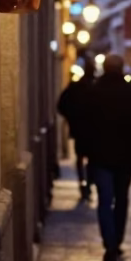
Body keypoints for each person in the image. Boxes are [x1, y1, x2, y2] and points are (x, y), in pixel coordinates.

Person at [87, 53, 131, 261]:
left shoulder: (93, 92)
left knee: (105, 200)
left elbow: (84, 123)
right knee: (121, 199)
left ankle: (109, 243)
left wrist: (87, 148)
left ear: (104, 67)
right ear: (122, 69)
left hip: (100, 156)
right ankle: (117, 240)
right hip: (126, 157)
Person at [57, 58, 95, 200]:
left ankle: (83, 184)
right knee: (91, 159)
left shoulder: (76, 86)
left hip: (80, 129)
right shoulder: (94, 88)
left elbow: (62, 105)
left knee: (81, 158)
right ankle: (88, 184)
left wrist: (72, 118)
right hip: (92, 130)